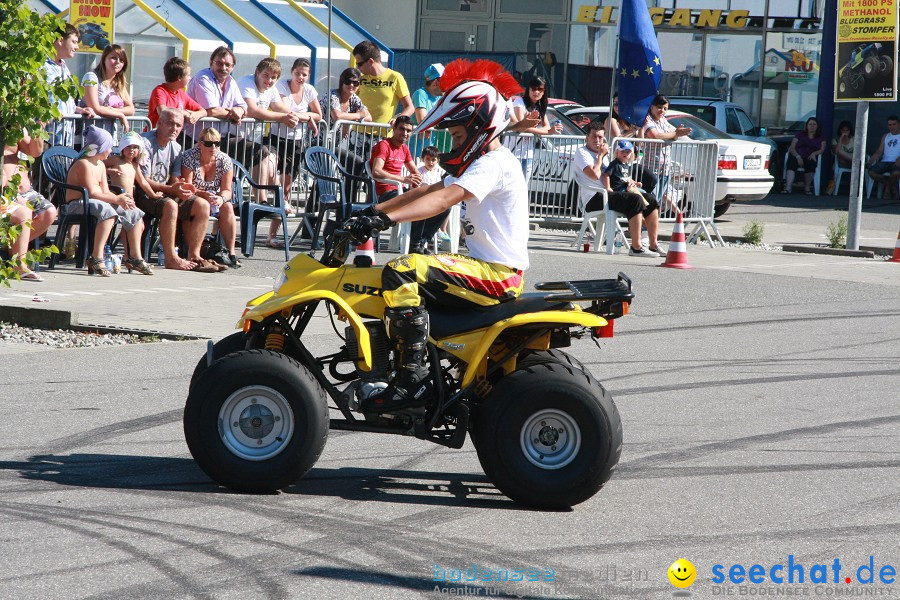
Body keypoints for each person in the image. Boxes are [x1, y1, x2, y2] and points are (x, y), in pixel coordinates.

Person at [347, 59, 528, 412]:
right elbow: (424, 190)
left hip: (498, 274)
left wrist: (385, 223)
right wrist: (371, 212)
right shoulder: (483, 162)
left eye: (459, 135)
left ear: (479, 127)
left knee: (401, 269)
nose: (455, 142)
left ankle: (408, 382)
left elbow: (443, 200)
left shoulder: (493, 163)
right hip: (485, 268)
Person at [138, 109, 219, 273]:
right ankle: (170, 258)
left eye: (178, 125)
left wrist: (182, 188)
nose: (174, 128)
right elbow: (143, 180)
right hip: (143, 192)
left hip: (165, 192)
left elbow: (174, 179)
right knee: (170, 206)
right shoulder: (145, 143)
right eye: (170, 123)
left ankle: (194, 256)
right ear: (159, 123)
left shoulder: (176, 147)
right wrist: (172, 189)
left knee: (202, 205)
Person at [187, 47, 276, 194]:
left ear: (232, 67)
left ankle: (263, 203)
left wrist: (239, 111)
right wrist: (233, 113)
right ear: (211, 62)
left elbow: (243, 107)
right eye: (219, 64)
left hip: (223, 138)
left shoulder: (231, 81)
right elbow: (212, 110)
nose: (223, 68)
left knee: (261, 152)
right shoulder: (202, 78)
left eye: (227, 65)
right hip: (198, 140)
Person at [64, 126, 145, 277]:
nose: (110, 150)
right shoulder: (83, 164)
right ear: (99, 148)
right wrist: (116, 199)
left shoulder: (100, 164)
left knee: (133, 212)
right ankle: (96, 256)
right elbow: (93, 193)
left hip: (94, 202)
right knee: (107, 211)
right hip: (76, 204)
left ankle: (135, 257)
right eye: (108, 147)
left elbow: (105, 191)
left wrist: (122, 200)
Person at [238, 58, 299, 248]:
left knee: (267, 156)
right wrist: (283, 117)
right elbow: (254, 110)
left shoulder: (271, 89)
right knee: (263, 153)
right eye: (266, 75)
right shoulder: (246, 83)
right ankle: (262, 200)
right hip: (232, 137)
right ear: (257, 72)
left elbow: (281, 107)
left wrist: (296, 115)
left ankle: (267, 200)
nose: (269, 81)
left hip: (249, 139)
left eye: (273, 78)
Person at [270, 57, 323, 230]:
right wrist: (307, 117)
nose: (300, 77)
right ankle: (272, 203)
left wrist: (309, 117)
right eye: (297, 73)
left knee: (285, 188)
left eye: (304, 74)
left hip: (297, 141)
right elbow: (286, 110)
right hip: (277, 138)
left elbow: (319, 115)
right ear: (291, 72)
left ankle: (273, 234)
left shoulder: (309, 90)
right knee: (271, 177)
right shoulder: (282, 87)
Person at [180, 128, 240, 268]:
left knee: (228, 207)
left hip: (213, 198)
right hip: (193, 196)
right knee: (201, 204)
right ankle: (195, 252)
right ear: (200, 143)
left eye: (217, 143)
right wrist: (203, 194)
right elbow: (187, 187)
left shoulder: (224, 159)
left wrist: (221, 199)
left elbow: (227, 190)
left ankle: (231, 254)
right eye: (208, 143)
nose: (213, 147)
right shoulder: (189, 157)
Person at [2, 131, 57, 281]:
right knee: (24, 212)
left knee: (49, 212)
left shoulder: (14, 122)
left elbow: (35, 151)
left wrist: (37, 129)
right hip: (6, 191)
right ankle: (18, 263)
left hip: (25, 191)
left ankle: (10, 250)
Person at [103, 132, 156, 275]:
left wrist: (154, 195)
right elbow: (98, 166)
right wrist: (109, 171)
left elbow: (143, 182)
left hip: (130, 201)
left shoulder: (134, 165)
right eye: (128, 147)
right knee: (134, 222)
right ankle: (132, 256)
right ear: (122, 148)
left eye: (135, 147)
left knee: (138, 224)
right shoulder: (115, 160)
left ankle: (129, 255)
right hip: (118, 199)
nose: (131, 150)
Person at [43, 24, 95, 147]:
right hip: (46, 139)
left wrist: (80, 110)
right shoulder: (41, 66)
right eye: (74, 42)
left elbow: (63, 101)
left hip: (64, 139)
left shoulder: (64, 66)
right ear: (60, 40)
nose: (77, 47)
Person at [503, 76, 563, 183]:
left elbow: (546, 126)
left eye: (540, 89)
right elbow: (520, 127)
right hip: (512, 153)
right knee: (510, 187)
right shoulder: (519, 101)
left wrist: (547, 130)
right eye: (533, 88)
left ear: (544, 91)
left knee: (523, 187)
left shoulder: (539, 106)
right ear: (528, 89)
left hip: (528, 154)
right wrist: (548, 132)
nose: (536, 92)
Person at [330, 67, 372, 201]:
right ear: (342, 82)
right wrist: (357, 115)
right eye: (348, 82)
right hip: (318, 143)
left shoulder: (354, 99)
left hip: (332, 144)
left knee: (355, 164)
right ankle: (312, 215)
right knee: (326, 176)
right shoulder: (333, 95)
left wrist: (349, 119)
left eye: (356, 83)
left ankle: (347, 205)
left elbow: (369, 117)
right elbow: (336, 115)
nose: (352, 85)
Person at [640, 94, 692, 202]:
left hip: (664, 168)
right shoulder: (647, 119)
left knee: (658, 198)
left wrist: (675, 134)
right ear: (652, 107)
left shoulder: (663, 120)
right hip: (651, 167)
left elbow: (673, 136)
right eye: (659, 107)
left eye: (665, 108)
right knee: (650, 198)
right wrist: (674, 134)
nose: (662, 111)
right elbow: (655, 135)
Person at [80, 44, 134, 143]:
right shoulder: (91, 77)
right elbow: (94, 107)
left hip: (111, 138)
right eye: (113, 58)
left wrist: (111, 110)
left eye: (121, 60)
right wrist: (120, 115)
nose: (118, 62)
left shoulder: (119, 83)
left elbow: (131, 109)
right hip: (90, 138)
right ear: (104, 59)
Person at [352, 40, 414, 124]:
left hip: (383, 133)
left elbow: (410, 107)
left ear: (370, 61)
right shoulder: (360, 78)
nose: (357, 67)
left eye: (359, 64)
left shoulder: (395, 77)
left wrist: (398, 120)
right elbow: (349, 101)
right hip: (358, 134)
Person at [148, 57, 207, 128]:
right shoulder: (160, 91)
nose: (190, 78)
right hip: (154, 136)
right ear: (179, 78)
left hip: (171, 137)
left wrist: (196, 115)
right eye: (188, 75)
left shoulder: (181, 94)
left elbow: (203, 111)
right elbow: (163, 112)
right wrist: (185, 113)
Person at [410, 63, 448, 156]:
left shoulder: (440, 99)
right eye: (445, 81)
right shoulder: (420, 93)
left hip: (428, 155)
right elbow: (423, 121)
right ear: (435, 83)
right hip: (414, 153)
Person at [782, 116, 825, 195]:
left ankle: (807, 188)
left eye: (814, 124)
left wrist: (814, 153)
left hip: (809, 156)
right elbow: (792, 148)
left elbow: (822, 149)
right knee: (791, 162)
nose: (812, 126)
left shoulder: (820, 137)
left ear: (817, 126)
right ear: (807, 126)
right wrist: (798, 157)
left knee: (811, 164)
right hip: (797, 154)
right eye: (810, 124)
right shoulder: (800, 135)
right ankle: (788, 187)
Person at [417, 145, 451, 244]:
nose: (430, 162)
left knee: (449, 204)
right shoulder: (420, 171)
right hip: (423, 198)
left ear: (437, 161)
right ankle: (436, 229)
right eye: (428, 159)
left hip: (435, 197)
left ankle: (442, 229)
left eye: (433, 160)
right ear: (423, 159)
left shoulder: (437, 172)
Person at [866, 115, 900, 199]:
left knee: (896, 173)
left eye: (894, 124)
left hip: (896, 162)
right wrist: (871, 160)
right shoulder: (886, 136)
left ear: (899, 124)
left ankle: (887, 190)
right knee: (871, 172)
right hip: (884, 162)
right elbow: (879, 151)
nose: (892, 127)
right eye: (889, 125)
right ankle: (891, 187)